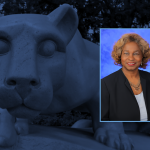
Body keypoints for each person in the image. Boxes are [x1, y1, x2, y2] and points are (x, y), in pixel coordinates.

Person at [101, 33, 150, 121]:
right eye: (126, 53)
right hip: (125, 133)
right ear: (120, 56)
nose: (131, 58)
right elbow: (103, 120)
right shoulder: (106, 84)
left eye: (136, 53)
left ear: (142, 57)